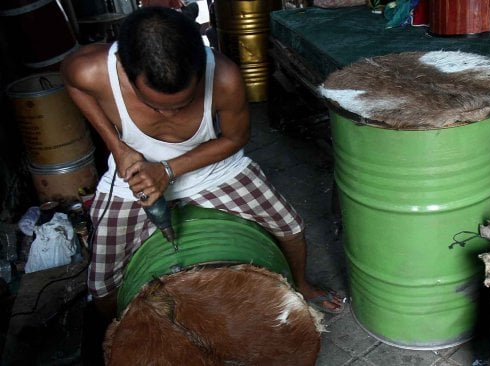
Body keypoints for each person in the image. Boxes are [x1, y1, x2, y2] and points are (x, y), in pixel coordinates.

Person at [61, 6, 344, 318]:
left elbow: (235, 138)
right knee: (102, 281)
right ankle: (116, 330)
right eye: (154, 106)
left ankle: (302, 285)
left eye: (182, 104)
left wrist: (167, 171)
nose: (169, 114)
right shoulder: (91, 69)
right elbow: (73, 86)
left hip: (210, 167)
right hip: (134, 175)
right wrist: (118, 148)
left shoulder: (224, 76)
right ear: (125, 71)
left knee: (289, 226)